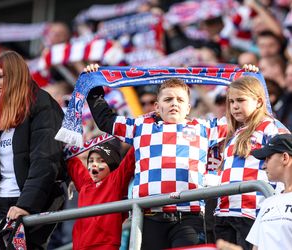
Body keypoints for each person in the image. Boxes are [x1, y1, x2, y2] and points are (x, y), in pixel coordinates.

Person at [85, 64, 229, 249]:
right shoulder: (140, 126)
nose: (174, 103)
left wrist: (249, 78)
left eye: (180, 100)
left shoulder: (204, 128)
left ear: (188, 107)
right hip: (149, 217)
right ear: (157, 106)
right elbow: (106, 120)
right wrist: (94, 85)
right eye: (168, 99)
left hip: (189, 217)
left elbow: (240, 116)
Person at [0, 51, 66, 249]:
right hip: (4, 203)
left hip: (33, 203)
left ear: (15, 75)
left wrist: (26, 205)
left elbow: (45, 160)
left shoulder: (42, 104)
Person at [214, 76, 290, 250]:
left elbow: (286, 159)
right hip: (224, 211)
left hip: (252, 211)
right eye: (231, 101)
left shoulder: (270, 126)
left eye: (240, 100)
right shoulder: (234, 132)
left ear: (258, 102)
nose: (234, 106)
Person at [66, 140, 135, 250]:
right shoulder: (85, 184)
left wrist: (140, 135)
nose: (94, 164)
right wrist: (64, 143)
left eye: (101, 160)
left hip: (105, 246)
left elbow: (130, 158)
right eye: (91, 160)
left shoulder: (115, 181)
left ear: (112, 165)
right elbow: (72, 162)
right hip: (79, 246)